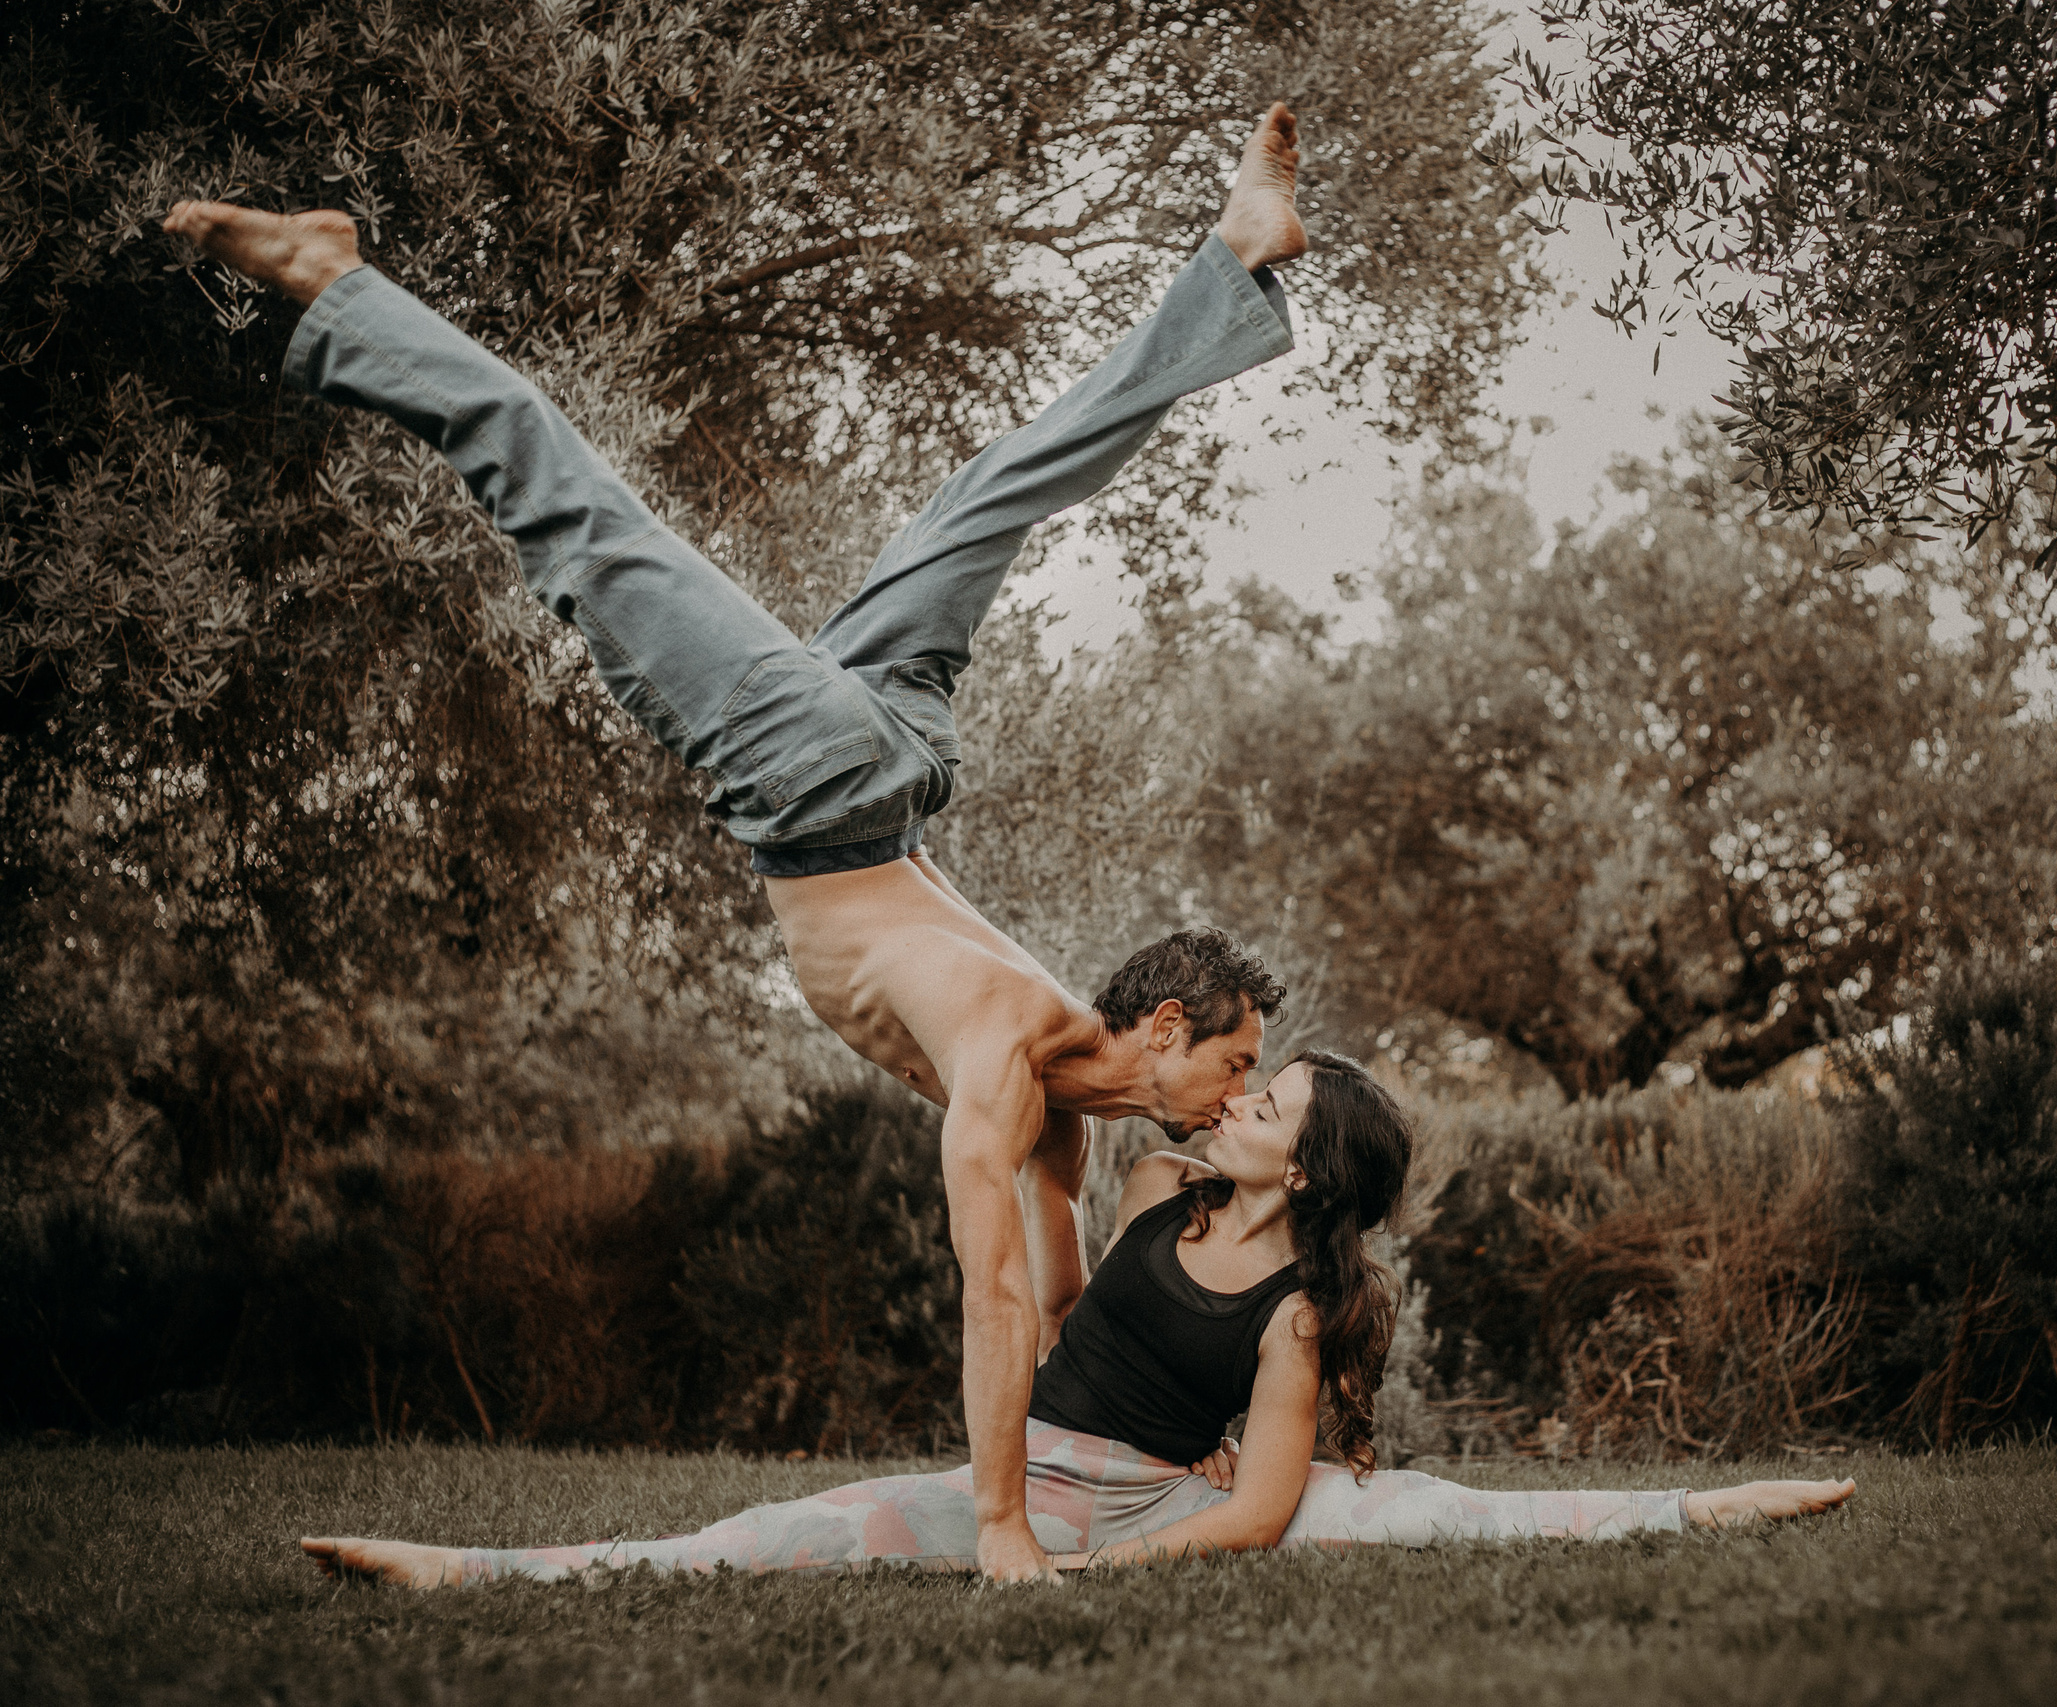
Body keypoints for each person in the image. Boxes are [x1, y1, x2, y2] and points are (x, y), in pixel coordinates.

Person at [165, 105, 1318, 1582]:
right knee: (580, 516)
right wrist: (1006, 1531)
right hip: (820, 780)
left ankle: (1234, 260)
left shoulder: (1072, 1110)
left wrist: (1180, 1444)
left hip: (891, 758)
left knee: (1014, 478)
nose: (1232, 1104)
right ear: (1164, 1026)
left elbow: (1059, 1319)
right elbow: (990, 1310)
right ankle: (336, 281)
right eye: (1233, 1069)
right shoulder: (999, 1059)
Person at [300, 1051, 1856, 1587]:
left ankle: (1712, 1504)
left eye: (1276, 1101)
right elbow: (1053, 1296)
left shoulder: (1304, 1312)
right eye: (1252, 1081)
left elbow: (1252, 1519)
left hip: (1150, 1509)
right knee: (760, 1535)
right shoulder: (1154, 1199)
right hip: (1024, 1474)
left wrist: (1093, 1568)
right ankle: (464, 1566)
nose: (1242, 1097)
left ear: (1307, 1166)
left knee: (1447, 1520)